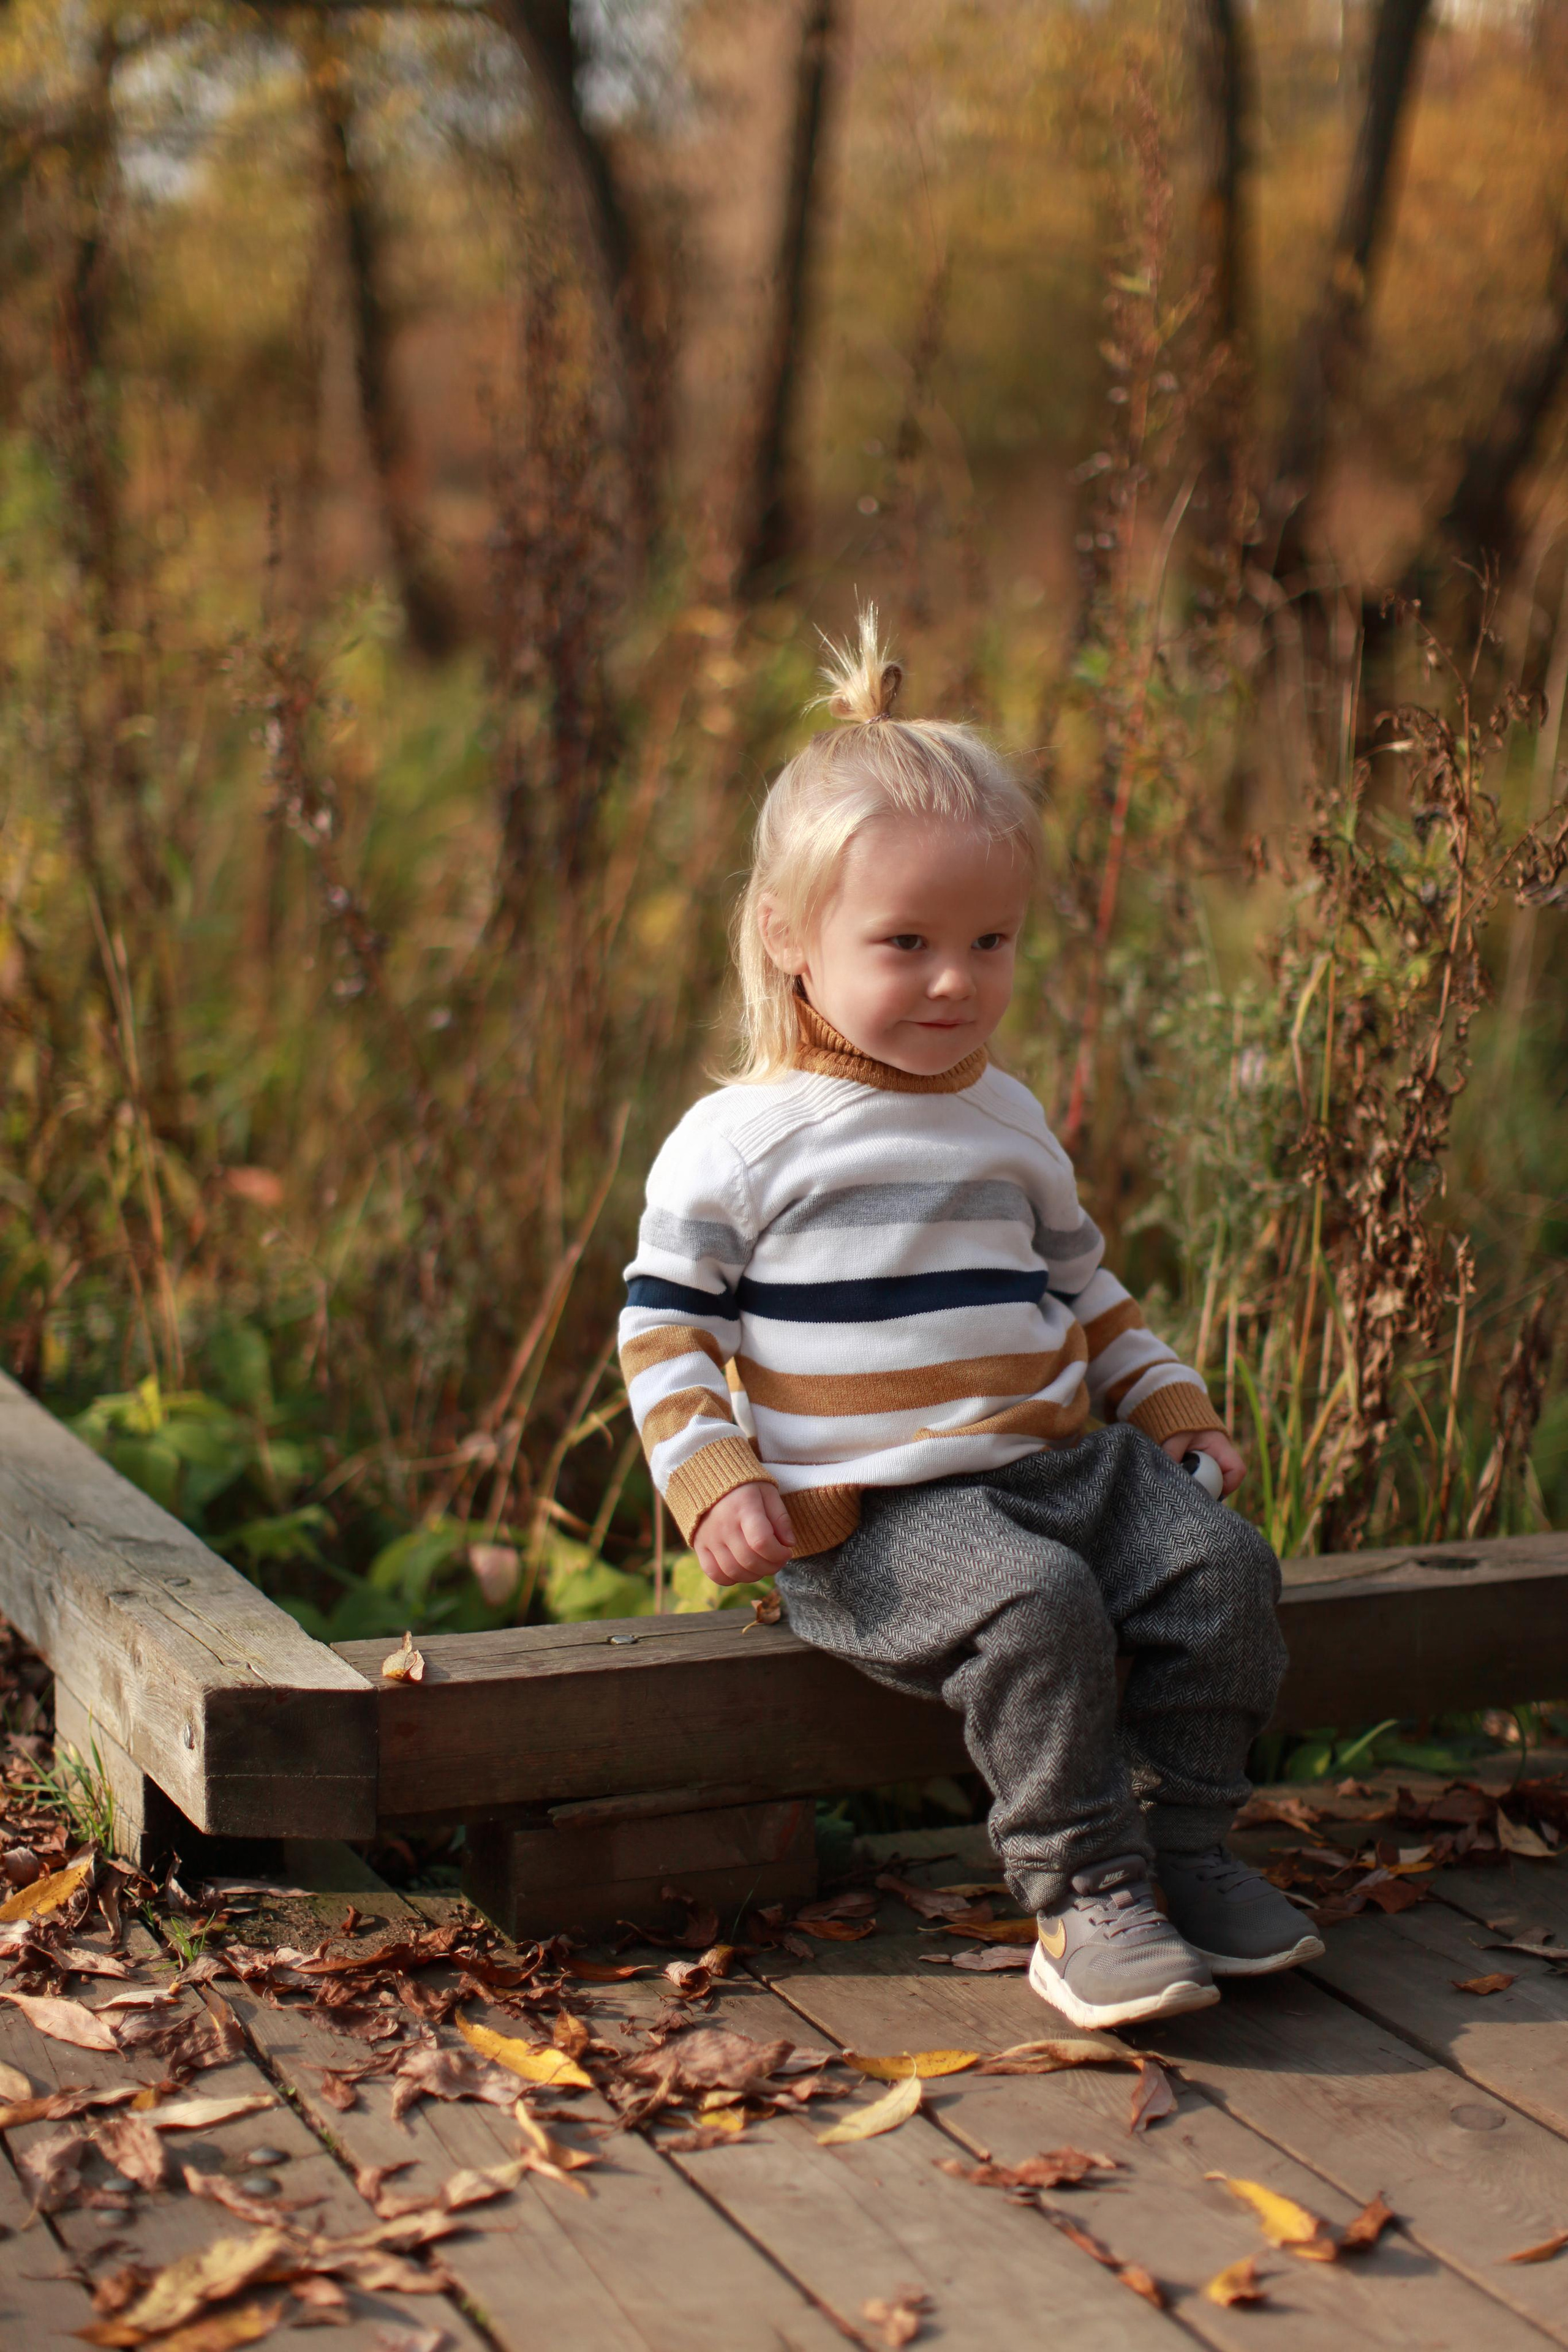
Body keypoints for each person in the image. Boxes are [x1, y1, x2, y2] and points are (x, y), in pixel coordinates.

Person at [617, 611, 1319, 2029]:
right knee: (1037, 1606)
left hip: (1055, 1467)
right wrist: (711, 1478)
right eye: (906, 942)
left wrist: (1165, 1400)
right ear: (788, 940)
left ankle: (1183, 1851)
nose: (955, 980)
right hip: (873, 1513)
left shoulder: (1004, 1114)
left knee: (1218, 1569)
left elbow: (1083, 1286)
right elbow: (665, 1329)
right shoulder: (741, 1138)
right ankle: (1081, 1899)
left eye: (988, 940)